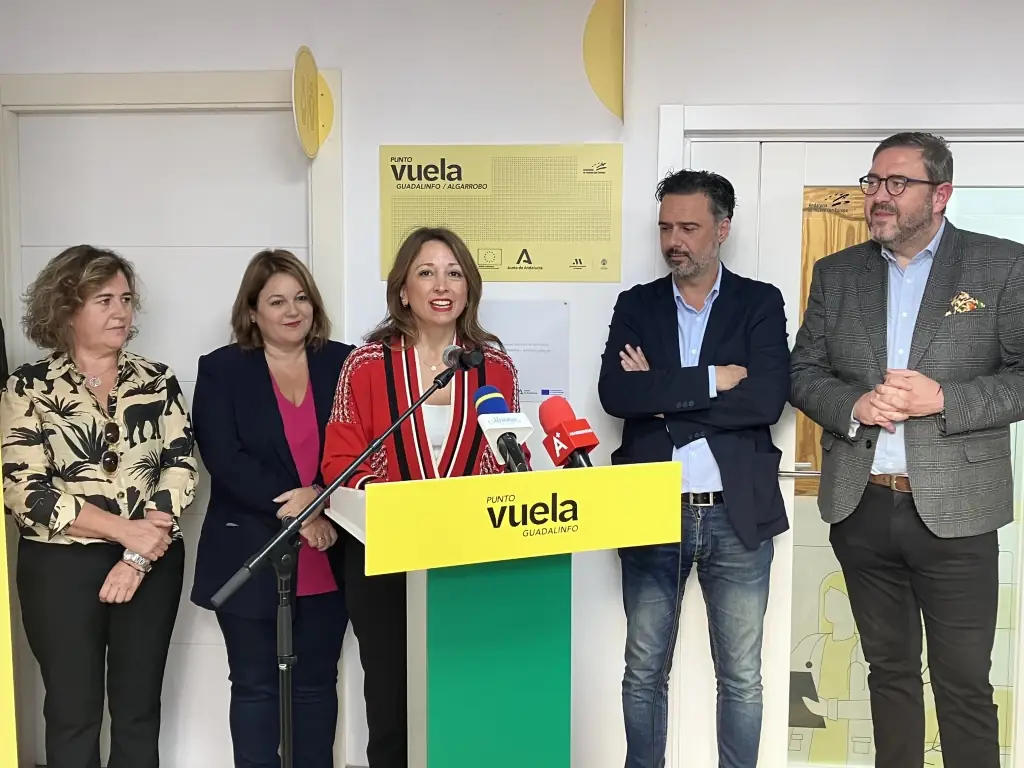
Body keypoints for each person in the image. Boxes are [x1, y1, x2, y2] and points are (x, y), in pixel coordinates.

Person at [789, 132, 1023, 768]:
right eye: (873, 182)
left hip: (958, 513)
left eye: (897, 183)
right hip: (861, 507)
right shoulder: (838, 273)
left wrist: (942, 398)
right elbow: (803, 372)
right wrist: (854, 406)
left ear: (940, 194)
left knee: (963, 684)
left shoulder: (1002, 265)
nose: (879, 196)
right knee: (888, 675)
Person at [598, 169, 790, 768]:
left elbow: (765, 401)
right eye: (665, 228)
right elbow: (615, 395)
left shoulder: (759, 303)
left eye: (688, 227)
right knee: (642, 671)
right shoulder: (637, 305)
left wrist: (661, 392)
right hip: (649, 508)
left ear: (722, 229)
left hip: (737, 513)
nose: (673, 241)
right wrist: (711, 380)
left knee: (742, 676)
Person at [321, 226, 526, 768]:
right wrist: (403, 513)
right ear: (403, 289)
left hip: (468, 562)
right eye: (427, 273)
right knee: (391, 704)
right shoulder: (366, 365)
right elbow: (341, 461)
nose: (442, 286)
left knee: (465, 698)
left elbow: (506, 459)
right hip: (384, 559)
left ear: (469, 287)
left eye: (454, 273)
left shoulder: (495, 367)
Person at [0, 245, 197, 768]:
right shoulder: (28, 386)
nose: (121, 312)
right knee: (72, 712)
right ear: (66, 308)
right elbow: (25, 490)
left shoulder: (157, 380)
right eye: (104, 300)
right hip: (59, 567)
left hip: (151, 562)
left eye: (126, 299)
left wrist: (138, 553)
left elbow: (180, 466)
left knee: (138, 711)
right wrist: (125, 531)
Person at [189, 249, 352, 768]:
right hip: (251, 549)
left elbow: (363, 446)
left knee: (316, 685)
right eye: (277, 301)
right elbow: (224, 458)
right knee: (255, 686)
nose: (292, 310)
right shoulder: (222, 369)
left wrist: (320, 499)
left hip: (329, 549)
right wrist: (301, 512)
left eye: (301, 298)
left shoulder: (344, 362)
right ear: (252, 311)